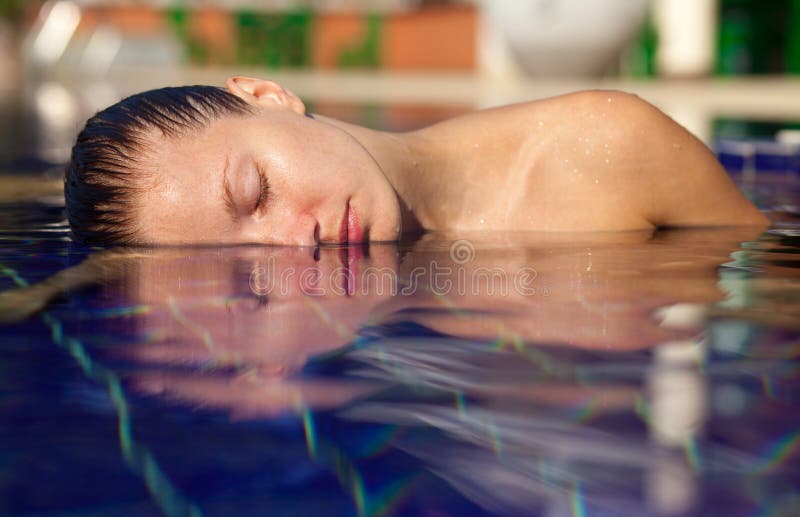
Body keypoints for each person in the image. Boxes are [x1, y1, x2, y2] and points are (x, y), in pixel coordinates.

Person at [65, 76, 768, 246]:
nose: (291, 243)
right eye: (239, 271)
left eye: (257, 191)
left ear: (266, 95)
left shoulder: (606, 146)